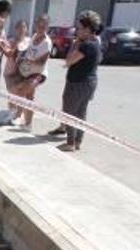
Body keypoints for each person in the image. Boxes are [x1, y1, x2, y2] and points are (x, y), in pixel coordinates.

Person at [55, 10, 103, 151]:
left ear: (88, 29)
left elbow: (69, 60)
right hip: (88, 83)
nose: (77, 31)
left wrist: (75, 45)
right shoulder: (96, 43)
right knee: (81, 113)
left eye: (80, 28)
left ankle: (70, 142)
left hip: (78, 83)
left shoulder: (86, 45)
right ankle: (77, 142)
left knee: (70, 112)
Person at [16, 14, 52, 130]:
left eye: (43, 26)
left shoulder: (47, 42)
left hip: (39, 73)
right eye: (39, 25)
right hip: (28, 71)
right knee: (29, 96)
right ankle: (28, 124)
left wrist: (28, 61)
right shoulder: (34, 36)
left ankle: (18, 116)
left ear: (47, 27)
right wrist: (22, 58)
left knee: (21, 91)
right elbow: (28, 50)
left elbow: (42, 61)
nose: (40, 28)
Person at [2, 20, 30, 121]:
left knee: (22, 95)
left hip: (24, 73)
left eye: (23, 27)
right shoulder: (11, 41)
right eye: (19, 28)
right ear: (15, 29)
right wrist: (16, 45)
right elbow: (9, 54)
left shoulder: (29, 41)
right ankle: (11, 115)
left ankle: (18, 116)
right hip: (10, 72)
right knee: (12, 95)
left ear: (26, 29)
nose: (21, 30)